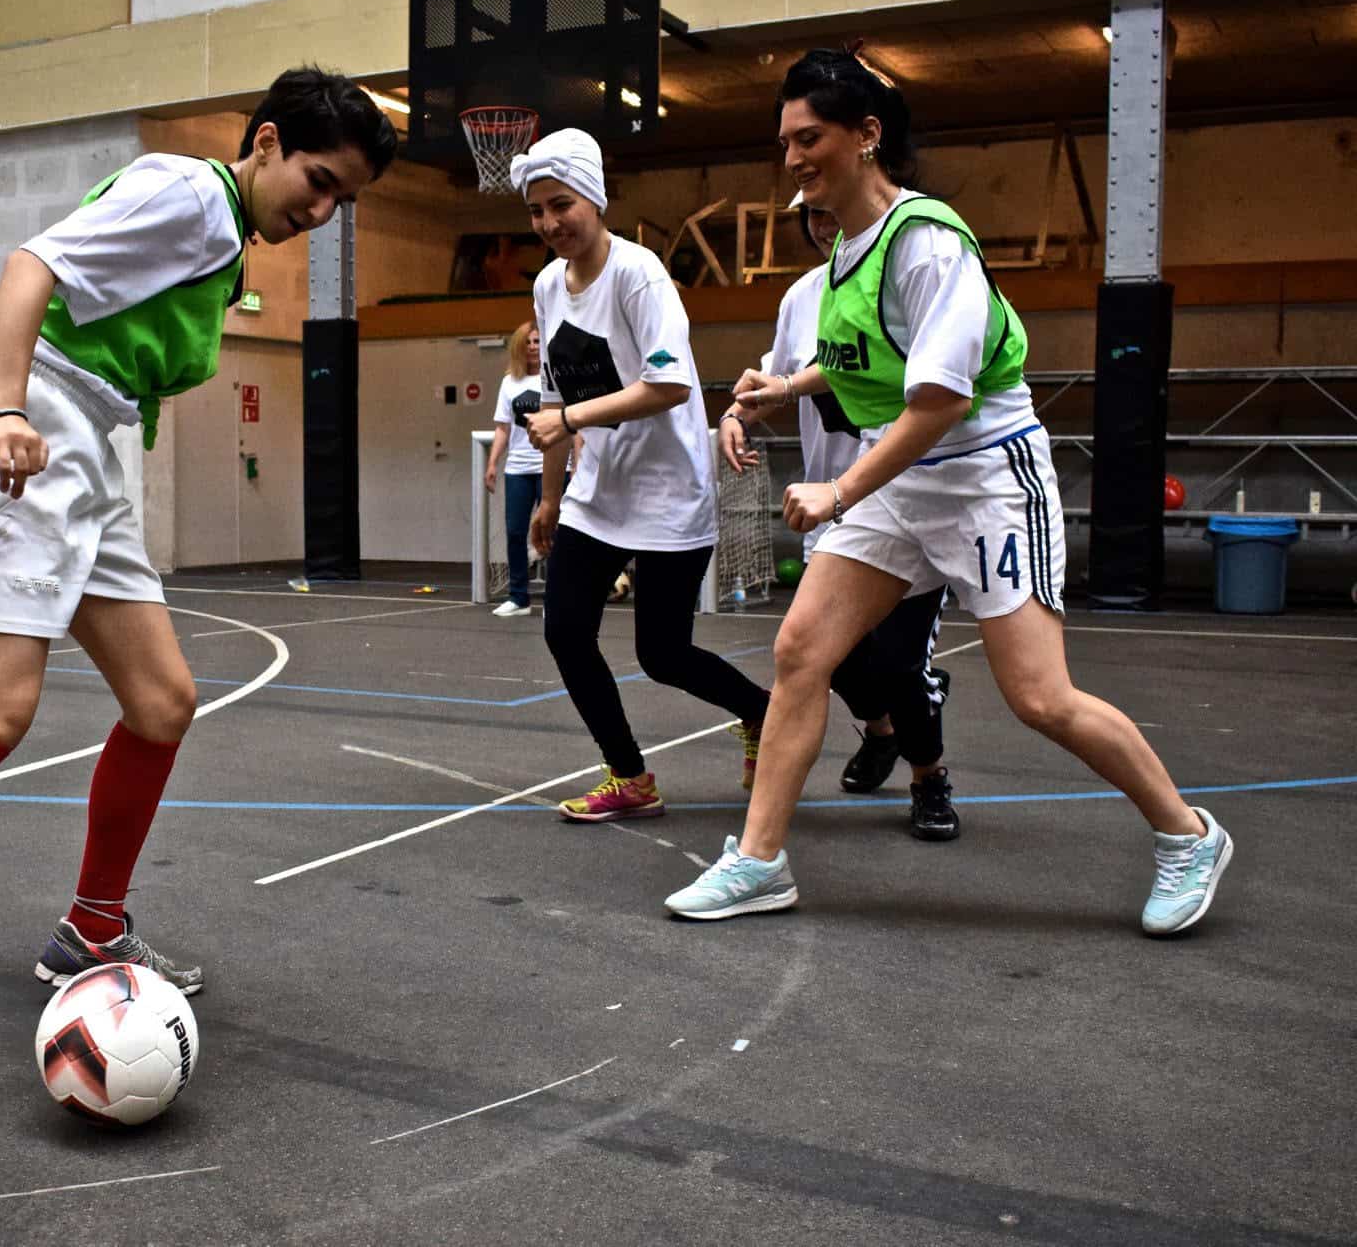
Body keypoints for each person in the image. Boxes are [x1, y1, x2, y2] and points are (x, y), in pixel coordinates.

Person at [0, 67, 397, 1067]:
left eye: (343, 202)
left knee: (161, 701)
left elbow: (80, 312)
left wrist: (0, 377)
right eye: (319, 182)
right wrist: (0, 401)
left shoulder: (221, 234)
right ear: (267, 143)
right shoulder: (194, 194)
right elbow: (33, 264)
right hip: (25, 444)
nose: (322, 212)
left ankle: (93, 929)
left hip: (83, 447)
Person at [665, 49, 1232, 935]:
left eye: (808, 137)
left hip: (984, 477)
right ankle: (760, 860)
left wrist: (838, 491)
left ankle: (1188, 835)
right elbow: (866, 358)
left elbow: (939, 401)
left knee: (1040, 697)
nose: (792, 157)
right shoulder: (848, 251)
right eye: (785, 141)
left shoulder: (930, 243)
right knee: (801, 651)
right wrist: (789, 386)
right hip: (904, 478)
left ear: (866, 135)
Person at [515, 128, 772, 822]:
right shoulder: (547, 285)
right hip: (597, 493)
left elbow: (669, 385)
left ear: (595, 200)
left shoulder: (639, 274)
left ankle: (760, 710)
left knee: (663, 653)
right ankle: (629, 775)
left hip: (667, 493)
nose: (549, 223)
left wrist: (570, 421)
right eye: (536, 210)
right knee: (566, 631)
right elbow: (553, 398)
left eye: (561, 205)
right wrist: (549, 495)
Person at [720, 191, 960, 841]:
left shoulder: (913, 274)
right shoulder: (802, 297)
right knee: (830, 656)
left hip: (910, 506)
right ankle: (881, 731)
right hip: (834, 512)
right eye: (813, 214)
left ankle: (928, 776)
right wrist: (737, 414)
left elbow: (941, 392)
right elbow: (774, 379)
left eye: (833, 209)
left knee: (902, 664)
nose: (825, 224)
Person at [483, 319, 574, 616]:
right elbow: (503, 428)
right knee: (515, 531)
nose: (533, 347)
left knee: (555, 531)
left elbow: (573, 425)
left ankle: (556, 599)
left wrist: (577, 464)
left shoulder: (556, 378)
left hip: (552, 467)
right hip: (518, 469)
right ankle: (518, 597)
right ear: (519, 347)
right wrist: (493, 463)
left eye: (537, 341)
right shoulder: (509, 383)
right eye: (528, 342)